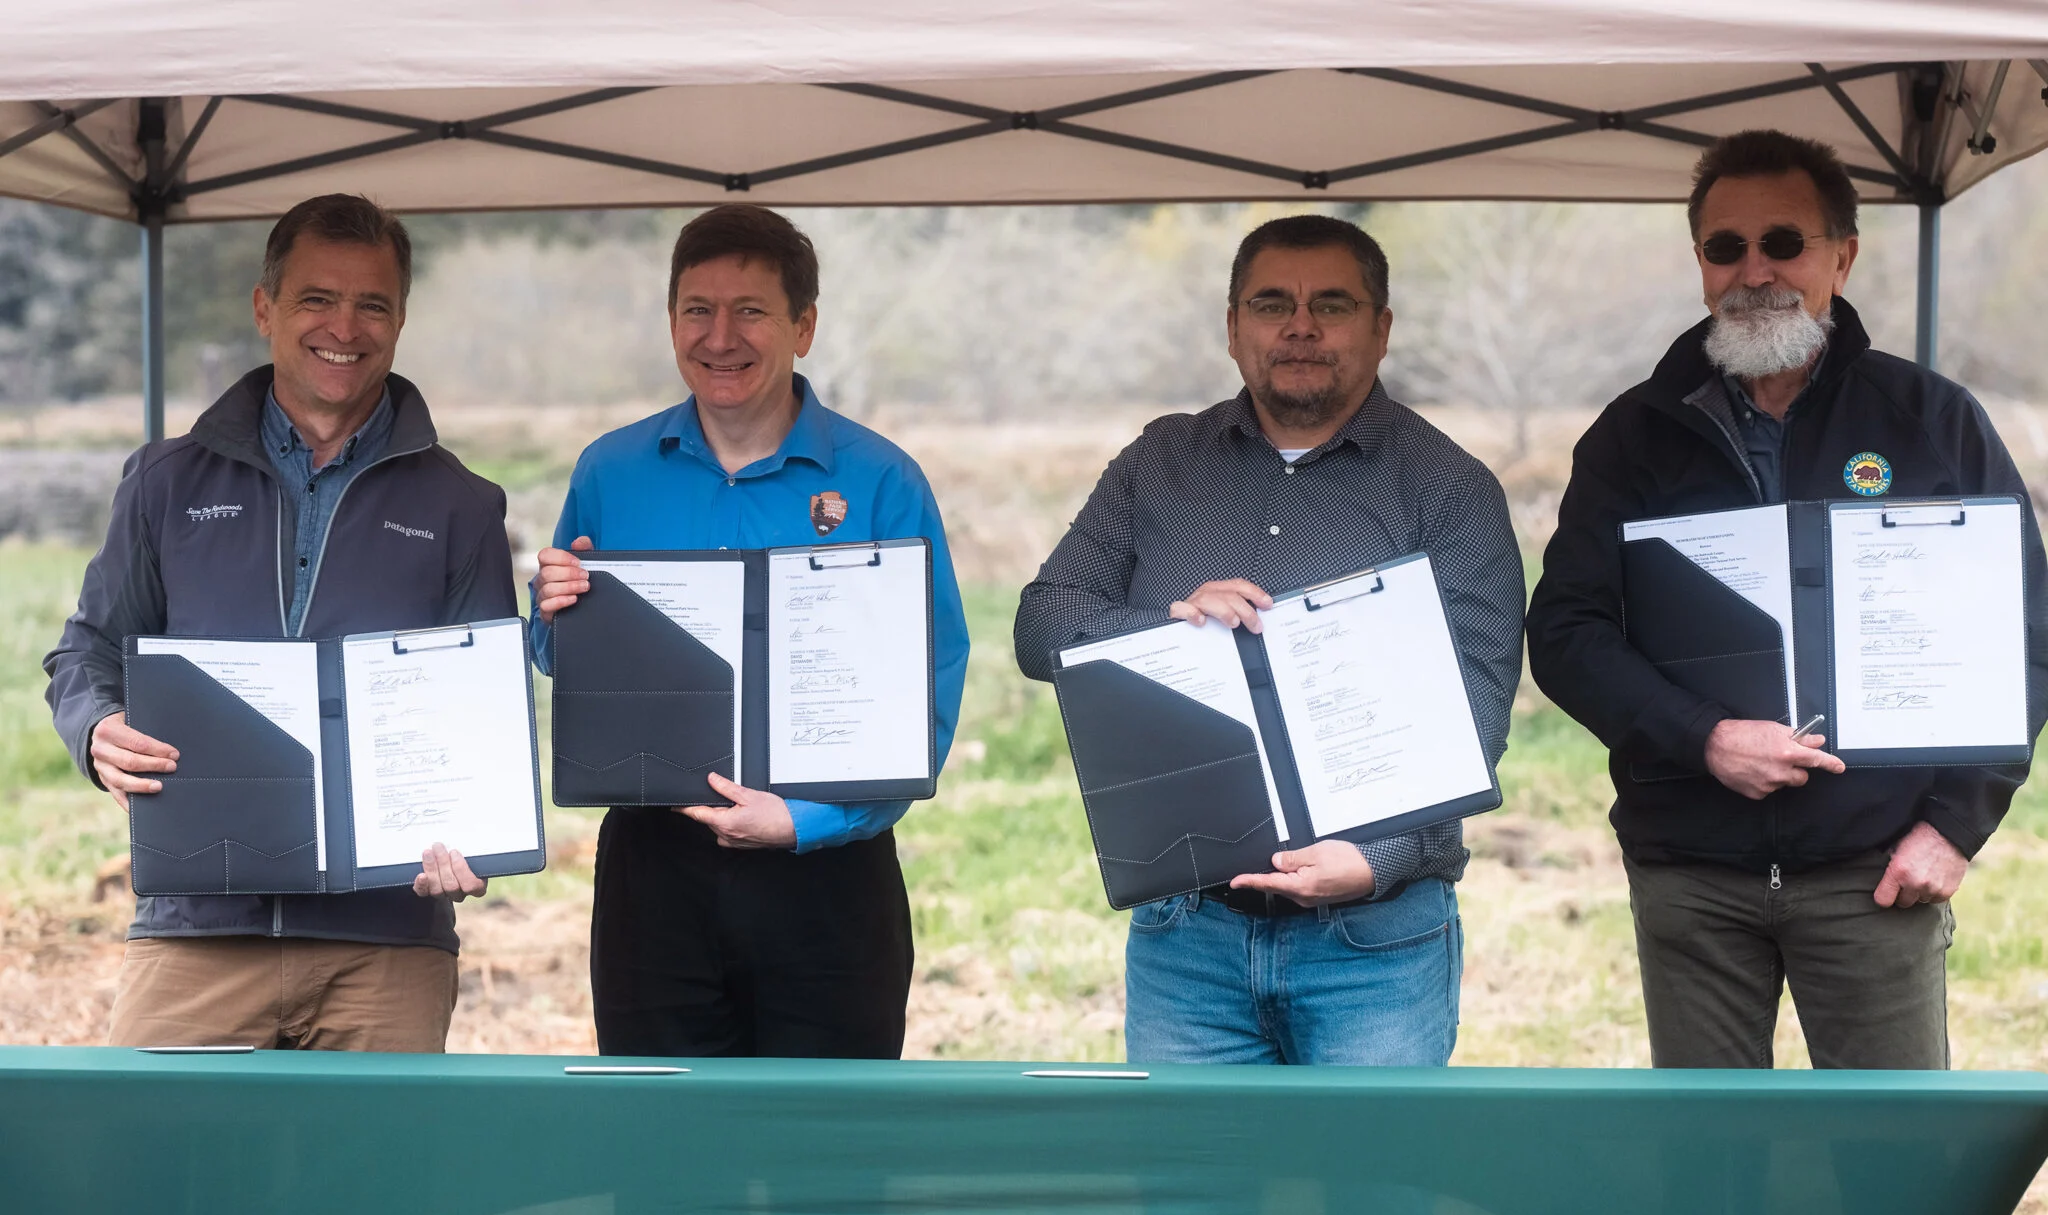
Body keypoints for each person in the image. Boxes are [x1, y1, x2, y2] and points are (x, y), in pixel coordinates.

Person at [1526, 130, 2048, 1071]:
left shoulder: (1932, 423)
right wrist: (1704, 739)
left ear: (1842, 256)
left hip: (1878, 872)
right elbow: (1566, 634)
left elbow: (2026, 635)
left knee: (1888, 1167)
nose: (1754, 269)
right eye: (1726, 247)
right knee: (1713, 1169)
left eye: (1785, 243)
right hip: (1691, 876)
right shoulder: (1633, 436)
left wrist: (1955, 825)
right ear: (1699, 263)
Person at [1013, 213, 1525, 1065]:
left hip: (1375, 945)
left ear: (1382, 328)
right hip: (1189, 937)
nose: (1299, 327)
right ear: (1232, 327)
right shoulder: (1159, 463)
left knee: (1377, 1198)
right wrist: (1172, 626)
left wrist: (1376, 859)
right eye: (1270, 304)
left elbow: (1477, 712)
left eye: (1331, 304)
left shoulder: (1450, 490)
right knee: (1195, 1196)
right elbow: (1042, 626)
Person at [44, 194, 517, 1052]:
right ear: (265, 308)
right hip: (197, 926)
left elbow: (480, 712)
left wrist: (476, 832)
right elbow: (88, 648)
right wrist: (97, 727)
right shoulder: (163, 483)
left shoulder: (463, 507)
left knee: (374, 1184)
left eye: (373, 303)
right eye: (315, 298)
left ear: (401, 319)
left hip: (387, 941)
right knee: (160, 1174)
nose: (345, 325)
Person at [530, 204, 969, 1060]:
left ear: (804, 327)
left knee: (832, 1165)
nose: (720, 336)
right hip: (653, 874)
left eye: (752, 311)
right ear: (670, 321)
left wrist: (805, 823)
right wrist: (550, 615)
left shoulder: (881, 481)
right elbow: (560, 657)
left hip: (827, 876)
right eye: (698, 309)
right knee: (664, 1153)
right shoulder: (609, 471)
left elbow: (928, 688)